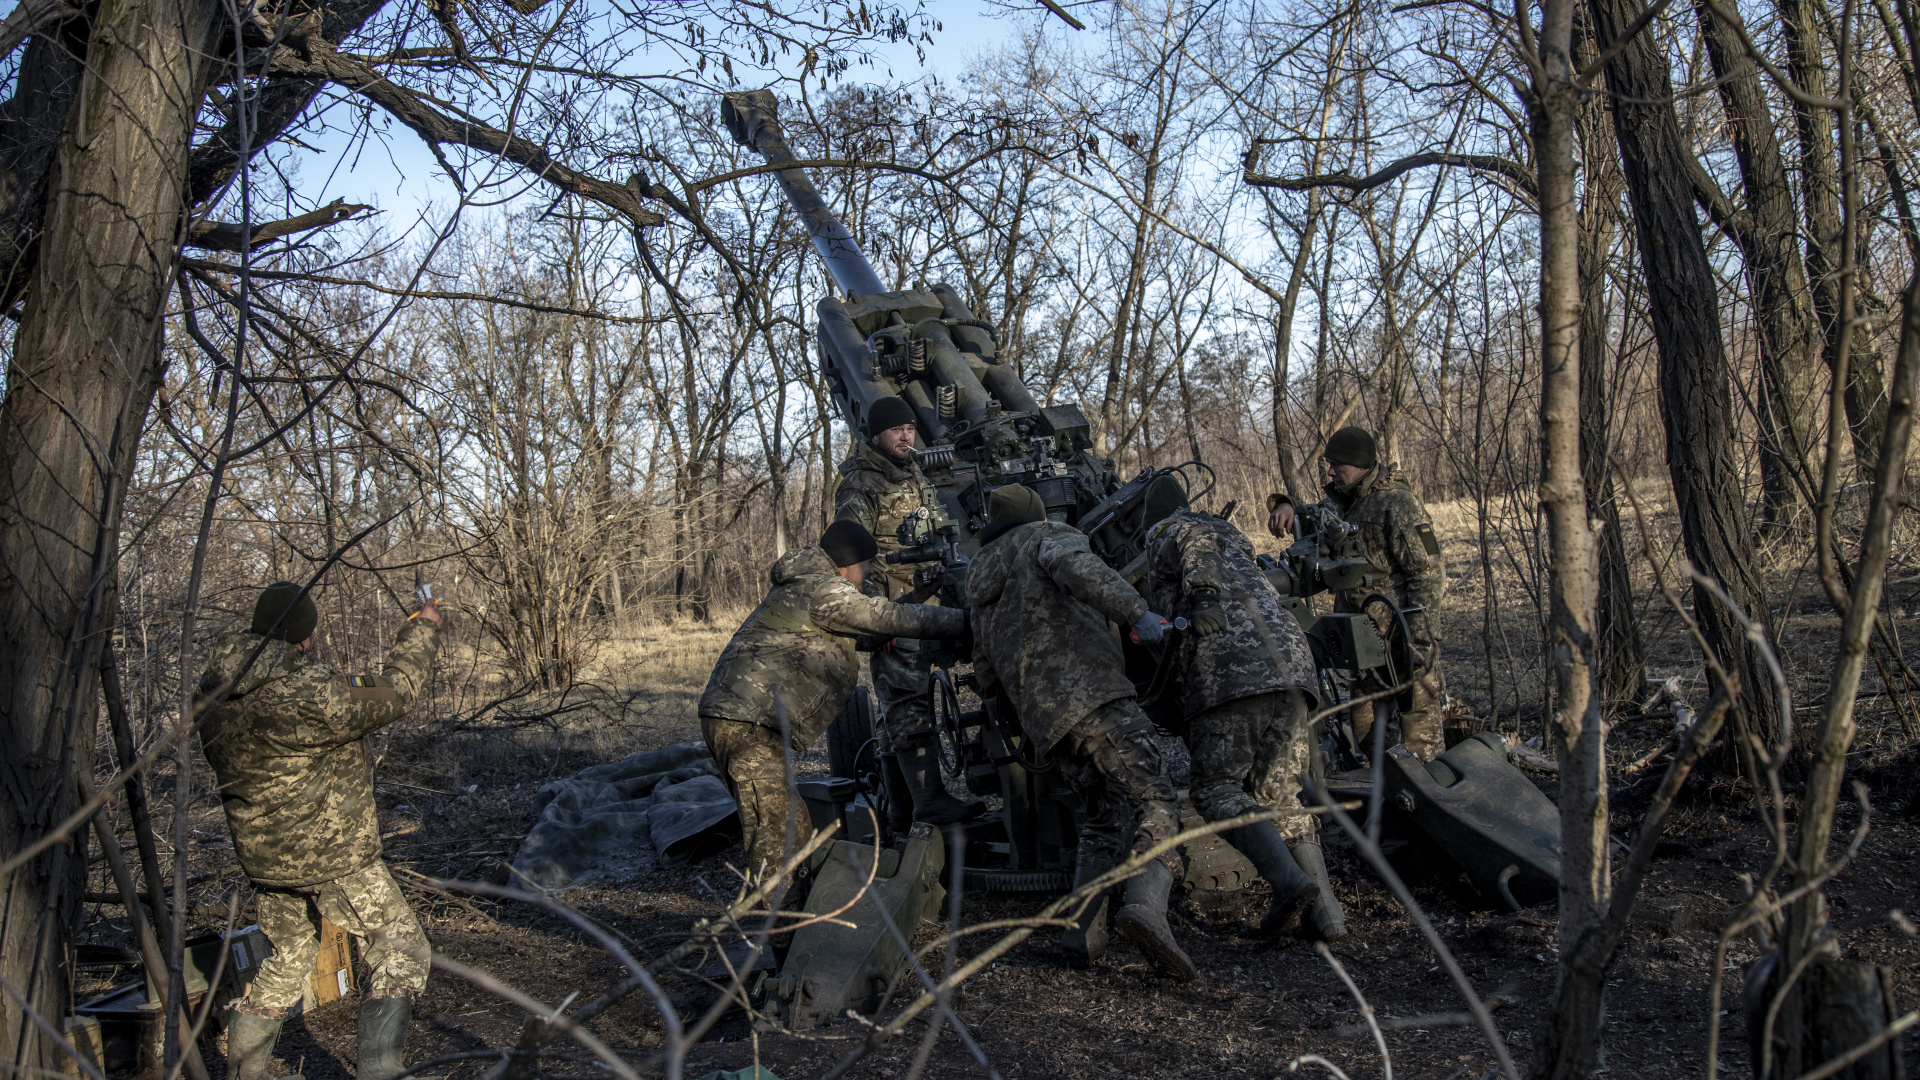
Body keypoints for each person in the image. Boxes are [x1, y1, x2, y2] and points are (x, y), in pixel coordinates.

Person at [198, 582, 445, 1080]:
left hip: (265, 860)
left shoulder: (215, 697)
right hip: (332, 856)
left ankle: (244, 1074)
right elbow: (393, 691)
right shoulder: (313, 693)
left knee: (289, 955)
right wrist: (422, 629)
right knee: (401, 952)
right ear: (303, 638)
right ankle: (380, 1071)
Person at [965, 484, 1197, 981]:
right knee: (1155, 799)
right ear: (1036, 514)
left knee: (1101, 821)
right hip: (1094, 696)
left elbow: (985, 672)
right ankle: (1148, 913)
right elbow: (1084, 572)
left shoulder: (978, 582)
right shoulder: (1047, 536)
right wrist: (1138, 614)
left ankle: (1080, 934)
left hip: (1045, 723)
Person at [700, 520, 967, 880]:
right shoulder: (823, 589)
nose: (870, 573)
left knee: (789, 830)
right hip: (743, 724)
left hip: (745, 721)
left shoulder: (814, 589)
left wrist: (918, 594)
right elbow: (884, 616)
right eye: (867, 565)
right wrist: (965, 620)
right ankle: (782, 930)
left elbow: (872, 633)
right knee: (779, 840)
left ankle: (794, 921)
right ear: (848, 564)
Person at [1142, 506, 1347, 940]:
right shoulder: (1238, 547)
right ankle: (1328, 916)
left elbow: (1193, 540)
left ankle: (1290, 885)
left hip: (1231, 670)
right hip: (1291, 665)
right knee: (1283, 794)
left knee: (1216, 787)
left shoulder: (1173, 528)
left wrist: (1201, 599)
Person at [833, 396, 984, 825]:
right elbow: (848, 550)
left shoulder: (911, 470)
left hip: (925, 598)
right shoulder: (862, 482)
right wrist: (870, 612)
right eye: (897, 430)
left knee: (893, 711)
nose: (905, 436)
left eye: (910, 429)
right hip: (893, 607)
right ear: (877, 434)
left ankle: (902, 811)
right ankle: (930, 802)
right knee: (906, 701)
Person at [1269, 426, 1447, 762]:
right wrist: (1287, 506)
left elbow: (1427, 573)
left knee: (1420, 739)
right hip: (1361, 643)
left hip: (1402, 638)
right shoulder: (1341, 502)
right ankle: (1385, 796)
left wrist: (1419, 640)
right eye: (1329, 464)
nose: (1331, 471)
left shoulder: (1398, 504)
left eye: (1338, 464)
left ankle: (1429, 799)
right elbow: (1311, 517)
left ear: (1362, 465)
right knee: (1368, 732)